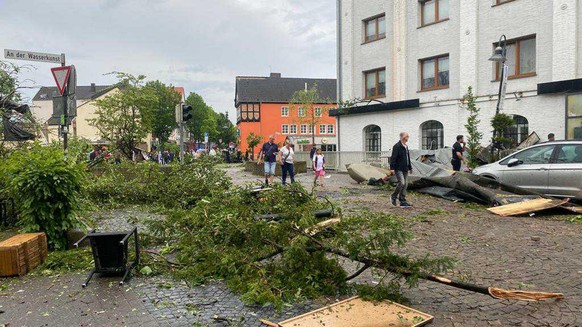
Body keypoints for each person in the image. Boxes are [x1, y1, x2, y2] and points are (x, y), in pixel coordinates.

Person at [390, 132, 413, 208]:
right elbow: (393, 158)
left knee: (405, 184)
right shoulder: (397, 146)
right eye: (407, 136)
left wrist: (410, 167)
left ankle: (402, 200)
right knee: (402, 183)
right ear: (402, 137)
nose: (408, 138)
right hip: (398, 168)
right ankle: (393, 196)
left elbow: (407, 158)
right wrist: (392, 168)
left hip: (405, 168)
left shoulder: (406, 146)